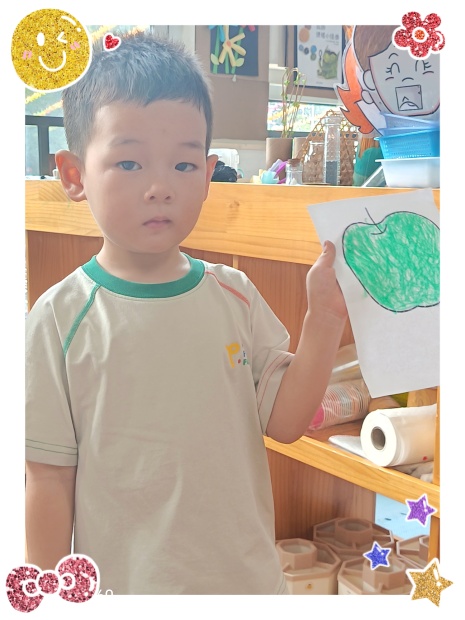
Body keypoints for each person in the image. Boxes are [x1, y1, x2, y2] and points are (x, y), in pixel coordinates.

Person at [25, 31, 348, 594]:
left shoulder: (235, 295)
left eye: (183, 164)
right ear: (74, 175)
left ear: (207, 174)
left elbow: (286, 422)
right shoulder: (59, 319)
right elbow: (48, 481)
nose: (160, 187)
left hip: (248, 588)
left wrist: (323, 321)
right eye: (129, 162)